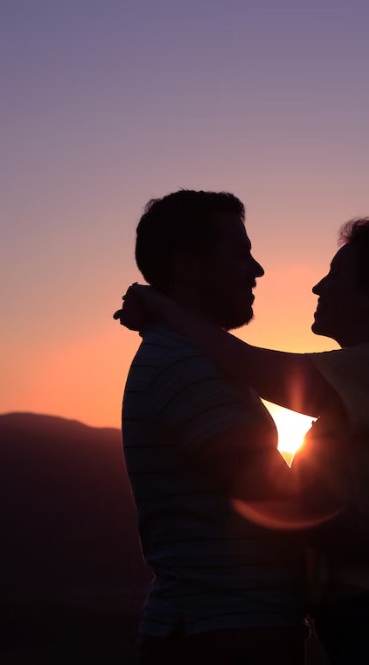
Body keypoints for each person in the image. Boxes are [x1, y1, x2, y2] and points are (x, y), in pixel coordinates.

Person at [117, 218, 369, 664]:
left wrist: (160, 305)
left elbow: (245, 362)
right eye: (239, 254)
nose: (317, 287)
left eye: (335, 276)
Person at [120, 190, 306, 665]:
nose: (257, 269)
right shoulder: (183, 365)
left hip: (224, 628)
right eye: (240, 253)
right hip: (220, 635)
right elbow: (271, 493)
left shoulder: (200, 359)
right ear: (188, 265)